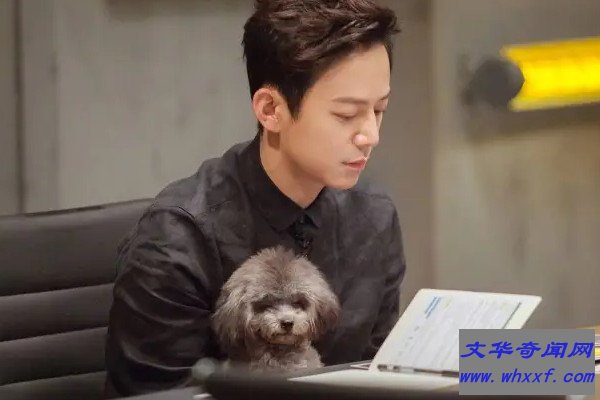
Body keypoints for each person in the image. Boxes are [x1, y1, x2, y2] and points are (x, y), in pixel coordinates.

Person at [104, 0, 406, 397]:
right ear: (270, 110)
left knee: (492, 376)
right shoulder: (177, 239)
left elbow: (383, 370)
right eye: (346, 115)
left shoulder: (375, 216)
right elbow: (157, 395)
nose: (371, 136)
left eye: (379, 110)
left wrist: (490, 374)